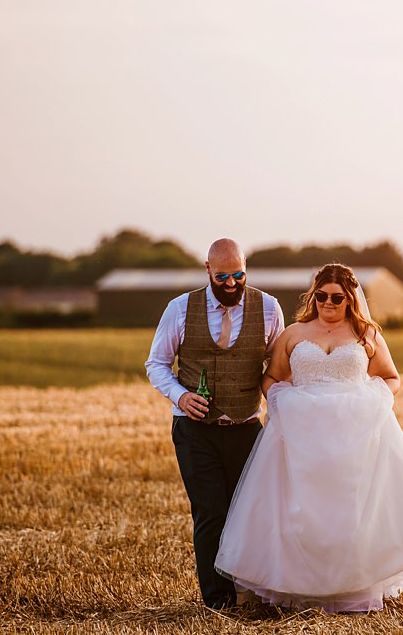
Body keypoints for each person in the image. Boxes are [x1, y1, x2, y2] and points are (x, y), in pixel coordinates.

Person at [215, 263, 403, 613]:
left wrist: (371, 402)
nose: (328, 303)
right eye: (321, 296)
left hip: (353, 438)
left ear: (350, 298)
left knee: (351, 510)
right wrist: (286, 403)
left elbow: (391, 378)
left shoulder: (366, 335)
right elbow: (272, 379)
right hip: (302, 438)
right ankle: (298, 587)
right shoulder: (294, 333)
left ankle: (352, 587)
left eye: (336, 297)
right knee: (299, 509)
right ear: (313, 296)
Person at [145, 238, 284, 610]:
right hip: (195, 432)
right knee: (210, 513)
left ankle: (252, 593)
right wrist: (180, 396)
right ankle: (217, 600)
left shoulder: (269, 309)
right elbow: (156, 364)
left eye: (238, 275)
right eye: (222, 276)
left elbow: (277, 367)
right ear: (208, 270)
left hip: (246, 427)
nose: (231, 283)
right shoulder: (178, 309)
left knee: (248, 513)